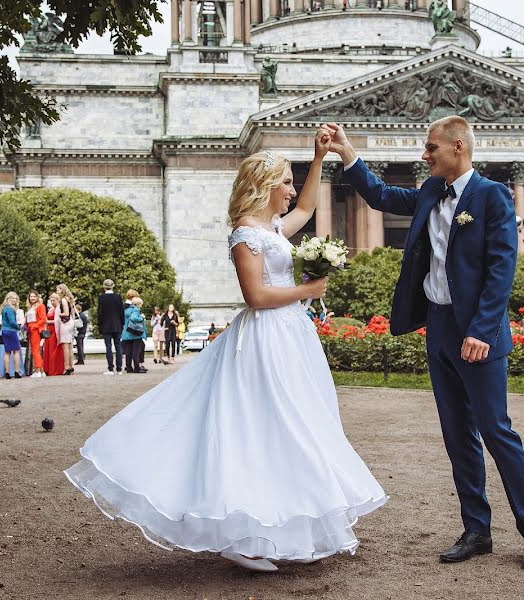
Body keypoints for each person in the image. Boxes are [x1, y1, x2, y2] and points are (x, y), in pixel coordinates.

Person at [65, 130, 388, 572]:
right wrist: (307, 289)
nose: (292, 191)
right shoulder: (245, 235)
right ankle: (245, 535)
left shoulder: (273, 228)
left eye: (293, 182)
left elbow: (310, 208)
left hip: (291, 335)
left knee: (293, 425)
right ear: (267, 185)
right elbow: (255, 296)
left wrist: (318, 160)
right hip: (266, 336)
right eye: (287, 183)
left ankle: (279, 528)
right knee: (264, 427)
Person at [328, 117, 524, 569]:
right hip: (439, 327)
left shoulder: (492, 196)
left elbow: (501, 270)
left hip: (477, 334)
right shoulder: (431, 191)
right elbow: (381, 195)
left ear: (457, 147)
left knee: (497, 432)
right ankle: (477, 530)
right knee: (457, 436)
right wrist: (347, 151)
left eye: (431, 148)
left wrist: (481, 331)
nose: (424, 155)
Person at [97, 278, 125, 375]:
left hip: (106, 326)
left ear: (104, 287)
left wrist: (99, 325)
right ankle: (119, 368)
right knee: (118, 347)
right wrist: (122, 323)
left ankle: (110, 368)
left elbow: (100, 313)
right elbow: (121, 312)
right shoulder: (118, 297)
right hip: (117, 325)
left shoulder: (102, 298)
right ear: (113, 286)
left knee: (108, 347)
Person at [0, 292, 23, 379]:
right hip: (11, 331)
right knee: (16, 351)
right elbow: (12, 322)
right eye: (12, 298)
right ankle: (16, 371)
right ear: (8, 299)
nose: (14, 300)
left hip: (4, 331)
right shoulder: (10, 309)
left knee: (7, 352)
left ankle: (7, 372)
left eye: (15, 298)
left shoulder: (4, 309)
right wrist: (18, 327)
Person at [55, 283, 78, 376]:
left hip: (65, 323)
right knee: (69, 345)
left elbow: (66, 313)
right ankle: (70, 365)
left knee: (65, 346)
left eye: (58, 290)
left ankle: (67, 367)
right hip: (70, 323)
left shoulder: (64, 300)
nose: (57, 291)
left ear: (62, 290)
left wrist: (58, 314)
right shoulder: (69, 299)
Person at [121, 296, 148, 373]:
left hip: (127, 332)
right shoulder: (135, 310)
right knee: (136, 351)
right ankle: (137, 367)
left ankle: (129, 367)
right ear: (138, 304)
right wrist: (141, 318)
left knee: (128, 352)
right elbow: (134, 318)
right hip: (135, 333)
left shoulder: (126, 309)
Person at [26, 291, 47, 378]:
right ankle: (41, 371)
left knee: (35, 350)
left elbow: (43, 318)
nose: (32, 298)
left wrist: (36, 326)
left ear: (37, 297)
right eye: (31, 296)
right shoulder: (30, 307)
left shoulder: (40, 306)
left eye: (34, 296)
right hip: (31, 329)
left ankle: (38, 370)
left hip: (36, 330)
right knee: (35, 350)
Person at [43, 292, 64, 376]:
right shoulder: (51, 309)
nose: (52, 302)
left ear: (58, 300)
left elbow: (59, 320)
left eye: (54, 300)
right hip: (49, 330)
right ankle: (48, 369)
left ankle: (55, 369)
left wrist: (49, 321)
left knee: (54, 350)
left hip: (55, 330)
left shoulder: (58, 309)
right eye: (51, 300)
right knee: (48, 349)